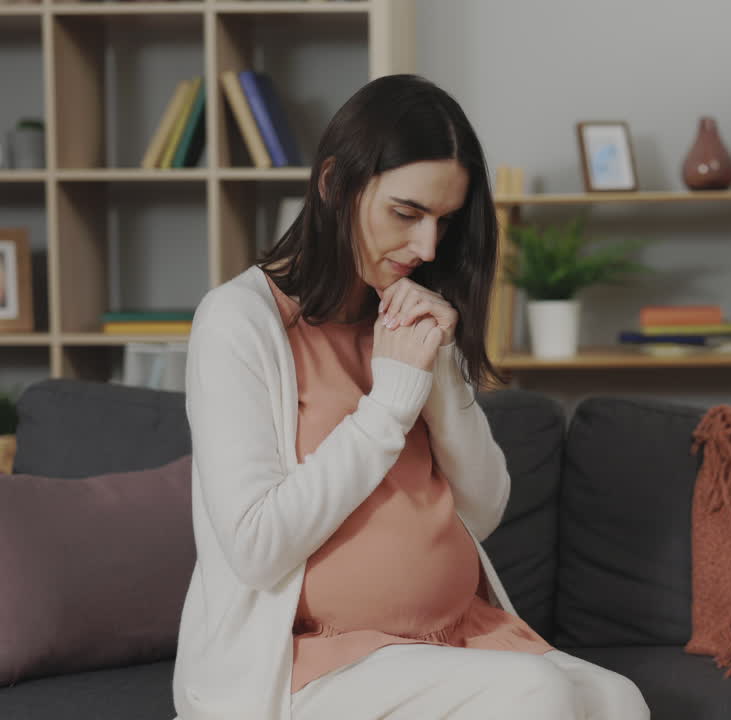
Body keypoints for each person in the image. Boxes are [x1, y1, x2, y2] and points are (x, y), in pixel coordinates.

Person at [173, 75, 649, 720]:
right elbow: (257, 548)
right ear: (334, 183)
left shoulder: (403, 317)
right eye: (406, 213)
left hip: (452, 635)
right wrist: (391, 403)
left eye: (444, 222)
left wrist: (441, 371)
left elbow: (481, 510)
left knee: (620, 700)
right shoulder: (238, 320)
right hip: (306, 661)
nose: (426, 248)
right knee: (537, 695)